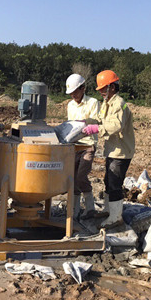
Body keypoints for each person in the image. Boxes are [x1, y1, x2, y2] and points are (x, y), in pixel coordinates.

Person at [81, 70, 135, 228]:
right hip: (113, 150)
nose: (101, 92)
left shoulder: (119, 104)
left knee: (114, 184)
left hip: (121, 151)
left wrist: (96, 129)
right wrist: (87, 121)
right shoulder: (107, 103)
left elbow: (115, 125)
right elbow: (101, 118)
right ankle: (108, 209)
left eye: (103, 88)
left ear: (112, 87)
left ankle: (115, 217)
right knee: (108, 180)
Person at [65, 73, 100, 219]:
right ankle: (75, 210)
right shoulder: (70, 105)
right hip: (74, 145)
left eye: (75, 91)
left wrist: (84, 123)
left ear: (83, 88)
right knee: (72, 177)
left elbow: (96, 121)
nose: (73, 95)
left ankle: (90, 207)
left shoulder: (92, 102)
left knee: (81, 176)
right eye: (71, 93)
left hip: (88, 145)